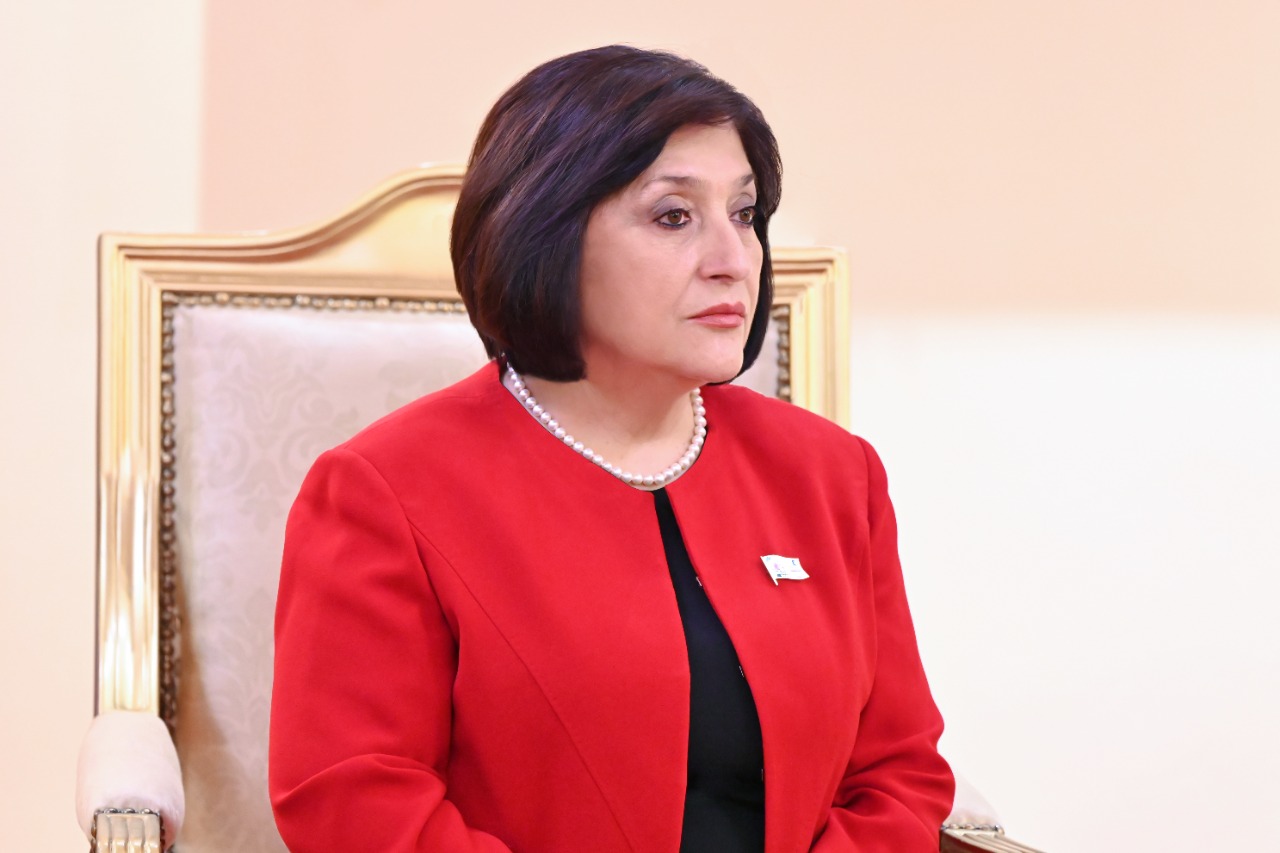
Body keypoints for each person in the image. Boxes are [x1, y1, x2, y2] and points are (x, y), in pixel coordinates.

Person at [269, 45, 954, 852]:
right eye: (674, 217)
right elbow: (354, 798)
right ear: (546, 235)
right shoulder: (384, 490)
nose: (733, 261)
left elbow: (898, 773)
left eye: (744, 214)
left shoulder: (833, 473)